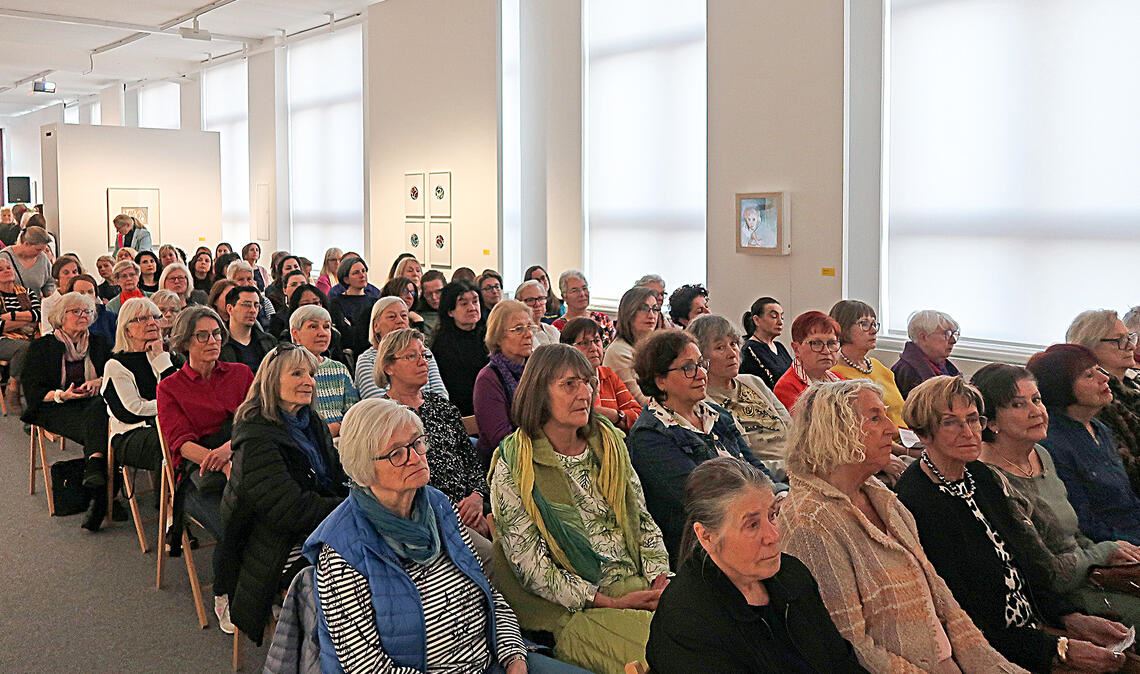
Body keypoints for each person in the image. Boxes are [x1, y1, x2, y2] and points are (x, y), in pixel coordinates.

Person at [302, 399, 582, 674]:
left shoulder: (438, 506)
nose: (416, 458)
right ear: (364, 466)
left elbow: (489, 596)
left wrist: (514, 657)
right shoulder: (341, 550)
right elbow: (365, 666)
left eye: (417, 443)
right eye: (397, 453)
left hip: (491, 660)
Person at [778, 380, 1021, 672]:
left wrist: (995, 667)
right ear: (834, 430)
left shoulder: (882, 498)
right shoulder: (810, 522)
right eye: (875, 418)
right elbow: (852, 646)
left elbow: (944, 603)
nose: (892, 430)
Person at [895, 376, 1132, 672]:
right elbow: (963, 613)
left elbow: (1026, 559)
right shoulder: (918, 498)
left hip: (1036, 625)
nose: (969, 432)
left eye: (973, 419)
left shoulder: (980, 476)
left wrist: (1071, 617)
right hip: (993, 647)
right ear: (924, 433)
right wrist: (1057, 649)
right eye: (950, 423)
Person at [490, 344, 671, 673]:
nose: (585, 393)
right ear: (539, 392)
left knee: (716, 634)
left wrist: (659, 580)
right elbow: (531, 567)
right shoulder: (515, 462)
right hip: (575, 608)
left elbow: (643, 521)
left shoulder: (608, 442)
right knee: (669, 656)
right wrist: (610, 601)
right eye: (569, 384)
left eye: (588, 382)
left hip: (639, 583)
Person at [645, 457, 869, 674]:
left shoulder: (792, 576)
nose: (773, 536)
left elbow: (840, 662)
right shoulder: (688, 621)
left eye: (772, 515)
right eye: (752, 525)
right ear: (706, 536)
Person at [972, 363, 1140, 627]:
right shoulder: (991, 479)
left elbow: (1072, 533)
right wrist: (1104, 552)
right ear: (991, 421)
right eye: (1018, 405)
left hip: (1089, 574)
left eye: (1036, 400)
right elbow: (1049, 575)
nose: (1036, 411)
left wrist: (1109, 557)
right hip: (1057, 600)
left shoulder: (1040, 454)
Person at [218, 343, 349, 644]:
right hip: (271, 542)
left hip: (312, 522)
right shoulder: (256, 434)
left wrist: (359, 496)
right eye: (297, 374)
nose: (309, 381)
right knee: (349, 576)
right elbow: (289, 509)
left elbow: (336, 476)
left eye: (311, 374)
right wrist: (351, 509)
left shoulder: (311, 422)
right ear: (272, 381)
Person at [627, 329, 782, 563]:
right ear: (660, 381)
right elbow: (702, 498)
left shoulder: (716, 414)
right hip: (705, 545)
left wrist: (779, 495)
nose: (701, 374)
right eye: (688, 368)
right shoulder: (650, 436)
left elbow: (753, 465)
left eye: (701, 364)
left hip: (753, 518)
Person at [157, 306, 255, 633]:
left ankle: (263, 586)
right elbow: (181, 443)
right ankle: (224, 592)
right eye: (202, 336)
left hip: (241, 455)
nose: (212, 341)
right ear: (185, 342)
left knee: (271, 512)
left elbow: (255, 421)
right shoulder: (170, 387)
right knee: (232, 524)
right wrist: (220, 461)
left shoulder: (241, 373)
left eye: (216, 334)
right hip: (199, 473)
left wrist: (229, 451)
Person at [376, 328, 492, 555]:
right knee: (489, 555)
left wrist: (477, 497)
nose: (423, 362)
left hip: (472, 506)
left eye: (424, 355)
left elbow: (471, 460)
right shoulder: (383, 416)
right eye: (411, 356)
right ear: (388, 367)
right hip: (426, 516)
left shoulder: (441, 406)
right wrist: (453, 513)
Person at [1028, 344, 1140, 544]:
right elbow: (1084, 523)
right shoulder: (1053, 444)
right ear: (1061, 387)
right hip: (1114, 544)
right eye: (1089, 375)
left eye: (1098, 369)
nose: (1104, 378)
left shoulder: (1099, 428)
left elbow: (1127, 500)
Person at [21, 292, 112, 529]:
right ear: (61, 316)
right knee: (105, 428)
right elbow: (33, 391)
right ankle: (105, 490)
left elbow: (114, 375)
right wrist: (62, 395)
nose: (83, 316)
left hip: (93, 404)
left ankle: (98, 481)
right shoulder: (42, 347)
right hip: (54, 406)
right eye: (76, 311)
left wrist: (99, 381)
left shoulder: (99, 342)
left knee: (100, 413)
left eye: (88, 311)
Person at [98, 298, 176, 532]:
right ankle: (171, 515)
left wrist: (162, 361)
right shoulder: (116, 365)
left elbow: (183, 394)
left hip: (166, 427)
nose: (151, 323)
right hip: (130, 435)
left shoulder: (166, 356)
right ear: (127, 329)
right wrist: (171, 406)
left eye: (155, 317)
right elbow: (132, 410)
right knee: (167, 444)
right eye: (141, 319)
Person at [688, 314, 791, 480]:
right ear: (700, 358)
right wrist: (792, 469)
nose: (732, 353)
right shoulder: (702, 400)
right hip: (765, 476)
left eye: (734, 344)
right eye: (720, 347)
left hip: (797, 465)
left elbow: (791, 428)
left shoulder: (753, 381)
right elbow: (742, 460)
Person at [1066, 309, 1140, 494]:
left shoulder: (1133, 384)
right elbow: (1125, 470)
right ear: (1088, 349)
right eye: (1118, 341)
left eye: (1130, 338)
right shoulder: (1096, 400)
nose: (1131, 346)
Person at [473, 300, 535, 464]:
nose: (528, 334)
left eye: (529, 327)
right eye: (519, 329)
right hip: (503, 463)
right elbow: (501, 440)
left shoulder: (537, 369)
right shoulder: (488, 379)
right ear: (498, 337)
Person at [830, 299, 908, 427]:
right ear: (843, 328)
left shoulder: (877, 365)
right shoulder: (835, 374)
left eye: (874, 324)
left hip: (906, 434)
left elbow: (900, 410)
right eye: (864, 324)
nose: (873, 330)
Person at [355, 297, 448, 400]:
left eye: (404, 316)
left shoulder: (424, 352)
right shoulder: (367, 360)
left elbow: (440, 394)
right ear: (376, 326)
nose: (400, 321)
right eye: (392, 317)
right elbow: (376, 401)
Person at [561, 317, 641, 433]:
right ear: (568, 348)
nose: (594, 348)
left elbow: (638, 415)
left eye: (597, 341)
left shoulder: (608, 375)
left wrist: (614, 415)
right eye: (584, 343)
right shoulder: (564, 382)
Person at [289, 305, 358, 437]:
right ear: (295, 333)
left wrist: (338, 428)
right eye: (313, 326)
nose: (322, 333)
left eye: (326, 327)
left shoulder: (339, 369)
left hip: (342, 438)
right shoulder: (286, 370)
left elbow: (354, 413)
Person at [431, 280, 487, 416]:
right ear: (450, 311)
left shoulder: (491, 336)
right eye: (464, 304)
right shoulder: (442, 345)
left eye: (475, 301)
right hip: (460, 412)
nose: (472, 308)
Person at [772, 310, 846, 411]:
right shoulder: (786, 387)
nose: (826, 351)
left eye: (832, 343)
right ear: (796, 349)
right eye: (816, 343)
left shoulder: (839, 379)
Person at [602, 286, 662, 407]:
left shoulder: (653, 348)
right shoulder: (618, 351)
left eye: (655, 309)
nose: (651, 315)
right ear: (629, 312)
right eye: (644, 308)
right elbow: (642, 402)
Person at [0, 254, 41, 414]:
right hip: (3, 340)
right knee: (25, 348)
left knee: (42, 348)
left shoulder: (27, 292)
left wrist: (11, 316)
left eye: (8, 267)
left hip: (29, 337)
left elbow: (37, 315)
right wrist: (26, 320)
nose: (6, 271)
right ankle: (14, 386)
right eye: (1, 269)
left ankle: (41, 396)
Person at [891, 309, 962, 399]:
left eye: (954, 334)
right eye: (947, 334)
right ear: (923, 337)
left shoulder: (943, 366)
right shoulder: (908, 372)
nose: (953, 341)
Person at [220, 285, 278, 374]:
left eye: (256, 305)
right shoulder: (219, 344)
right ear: (230, 309)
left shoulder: (269, 341)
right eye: (246, 305)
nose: (253, 310)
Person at [738, 296, 793, 389]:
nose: (780, 322)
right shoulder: (748, 350)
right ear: (756, 320)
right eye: (774, 316)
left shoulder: (780, 347)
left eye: (782, 317)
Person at [552, 270, 616, 346]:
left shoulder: (603, 319)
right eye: (575, 290)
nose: (582, 294)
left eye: (584, 288)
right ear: (564, 296)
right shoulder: (557, 328)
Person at [330, 256, 378, 352]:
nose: (362, 275)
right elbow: (344, 332)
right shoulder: (337, 303)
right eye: (356, 273)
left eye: (363, 271)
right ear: (346, 279)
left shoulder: (374, 301)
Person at [0, 226, 55, 298]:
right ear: (26, 244)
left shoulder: (43, 258)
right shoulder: (4, 257)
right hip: (11, 303)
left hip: (35, 303)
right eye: (38, 249)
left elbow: (49, 282)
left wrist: (50, 296)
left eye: (43, 250)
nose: (41, 253)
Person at [67, 273, 117, 345]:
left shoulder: (110, 318)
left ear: (96, 295)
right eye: (81, 293)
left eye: (90, 292)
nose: (87, 296)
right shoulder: (65, 319)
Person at [37, 255, 82, 335]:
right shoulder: (48, 302)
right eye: (66, 273)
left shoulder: (84, 296)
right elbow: (47, 332)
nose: (71, 276)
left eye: (75, 272)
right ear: (57, 277)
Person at [514, 280, 560, 346]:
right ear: (518, 303)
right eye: (530, 300)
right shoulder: (518, 334)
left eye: (541, 298)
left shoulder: (552, 330)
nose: (537, 304)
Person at [415, 268, 446, 337]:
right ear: (423, 295)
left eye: (438, 292)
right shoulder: (418, 316)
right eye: (429, 294)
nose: (434, 297)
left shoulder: (457, 310)